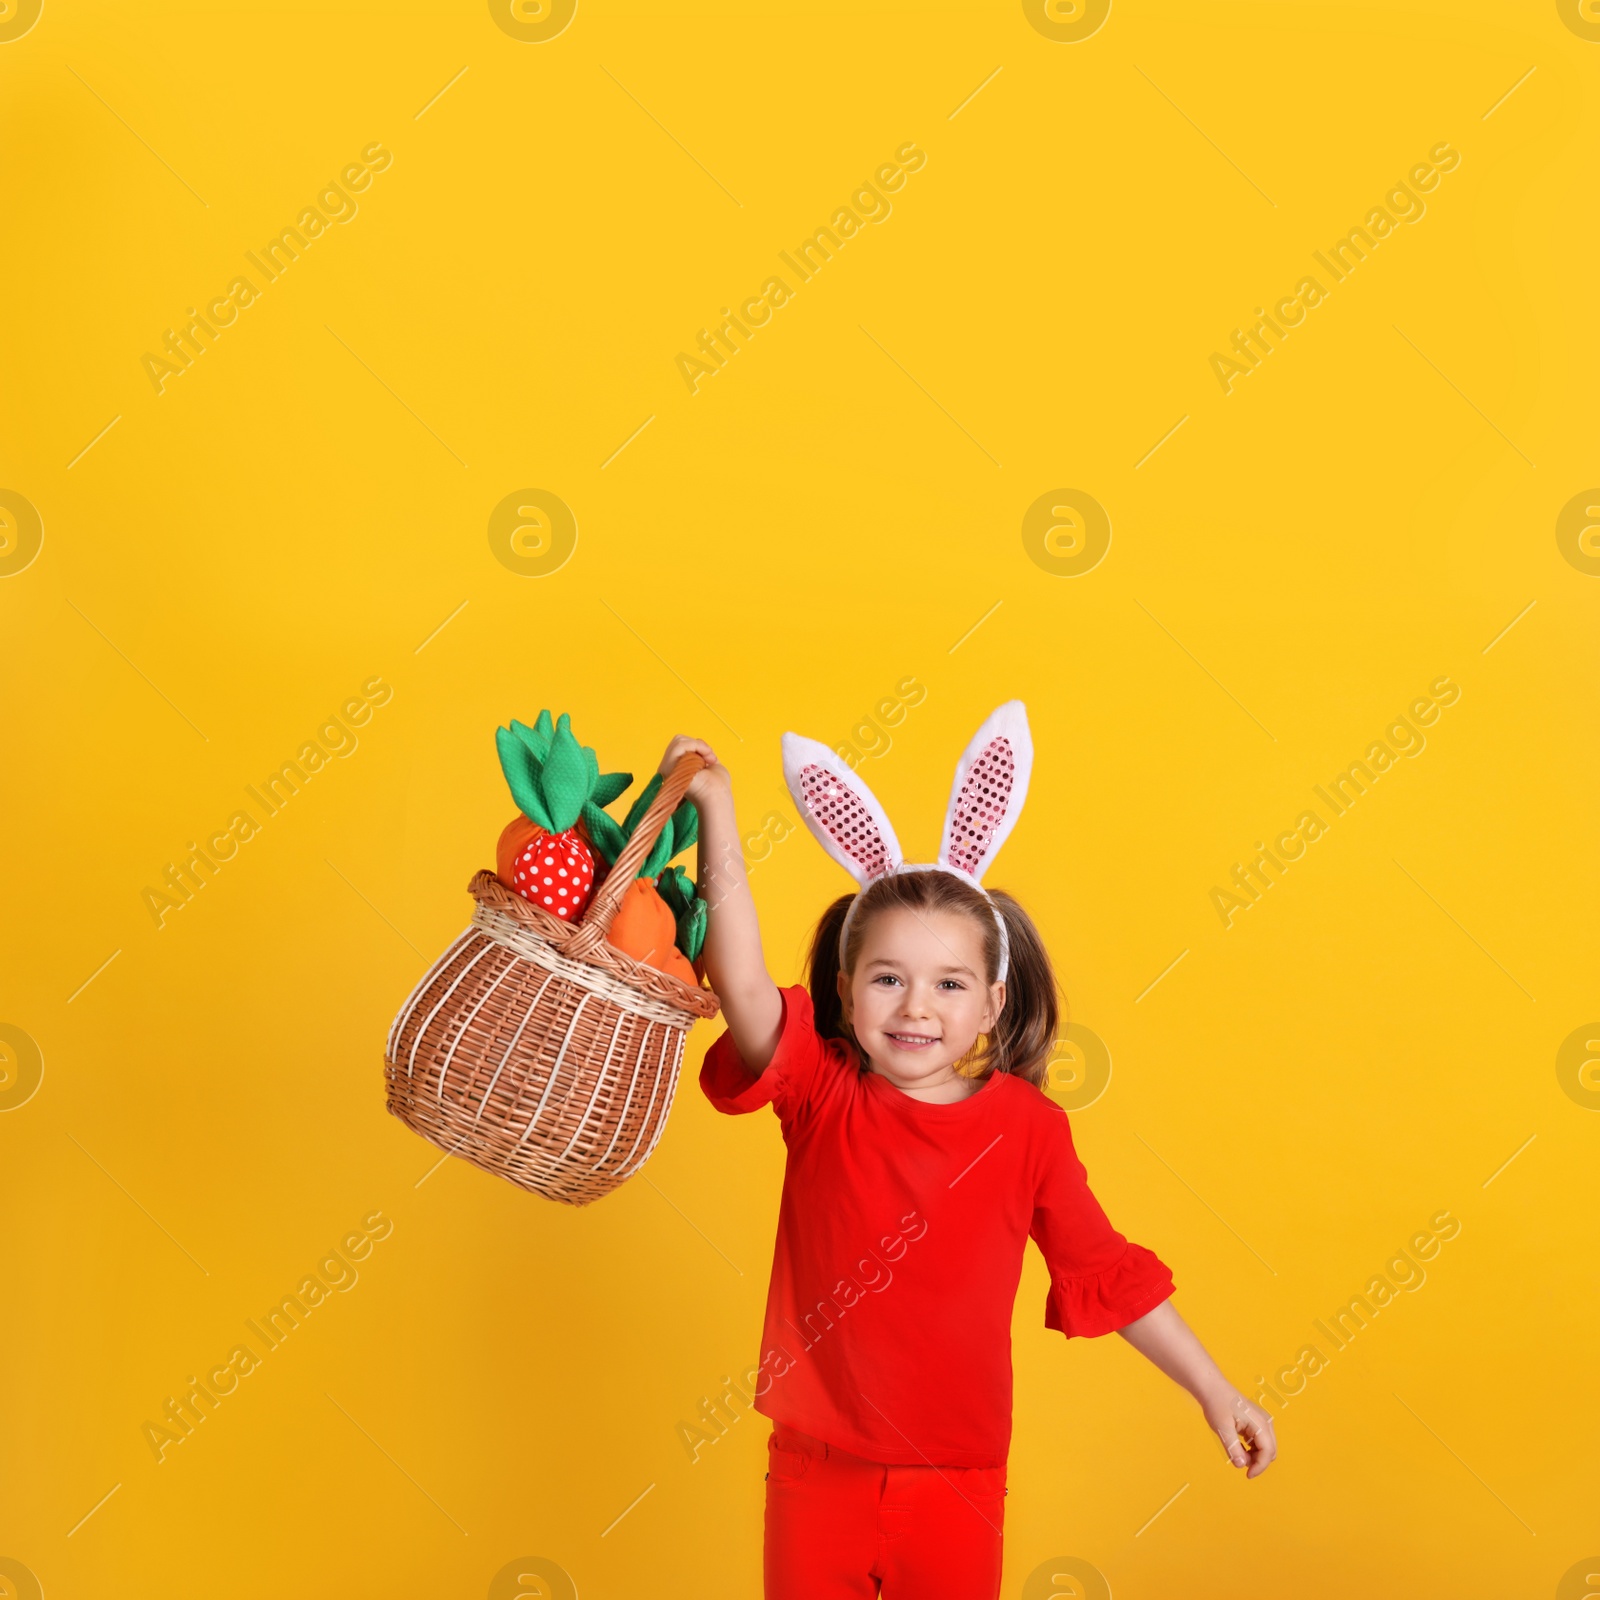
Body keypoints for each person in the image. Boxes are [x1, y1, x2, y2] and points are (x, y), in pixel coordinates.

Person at [658, 702, 1275, 1600]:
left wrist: (1215, 1390)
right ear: (847, 988)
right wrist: (716, 806)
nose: (916, 1007)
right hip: (813, 1471)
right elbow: (742, 978)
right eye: (888, 979)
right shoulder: (821, 1092)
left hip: (959, 1482)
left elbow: (1107, 1269)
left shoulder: (1029, 1130)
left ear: (991, 1003)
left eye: (948, 984)